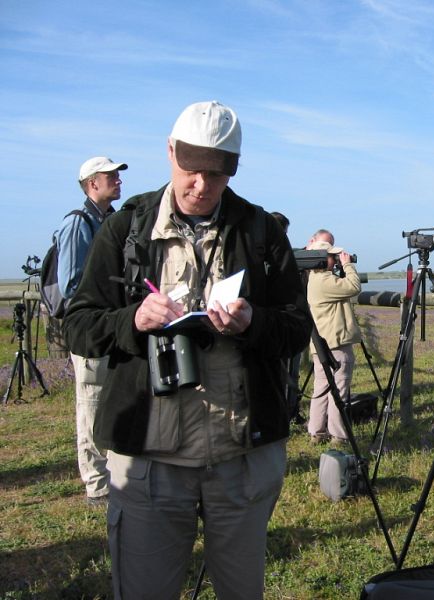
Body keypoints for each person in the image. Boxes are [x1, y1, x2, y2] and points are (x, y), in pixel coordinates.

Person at [64, 100, 312, 599]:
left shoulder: (262, 232)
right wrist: (132, 320)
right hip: (149, 466)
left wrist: (253, 323)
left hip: (241, 460)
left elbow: (296, 329)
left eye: (216, 176)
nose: (201, 186)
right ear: (170, 151)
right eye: (191, 171)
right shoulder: (125, 228)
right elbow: (78, 325)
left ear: (233, 171)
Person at [58, 156, 128, 505]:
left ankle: (113, 475)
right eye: (110, 176)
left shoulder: (112, 222)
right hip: (94, 329)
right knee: (92, 402)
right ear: (91, 184)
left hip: (114, 324)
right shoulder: (78, 223)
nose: (118, 180)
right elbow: (72, 285)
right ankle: (97, 484)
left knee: (111, 398)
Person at [306, 238, 361, 444]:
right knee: (339, 389)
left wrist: (339, 267)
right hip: (336, 344)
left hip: (321, 344)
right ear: (322, 259)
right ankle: (339, 435)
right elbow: (354, 286)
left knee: (321, 389)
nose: (336, 259)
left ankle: (316, 432)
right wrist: (348, 265)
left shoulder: (315, 279)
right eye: (332, 256)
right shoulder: (326, 282)